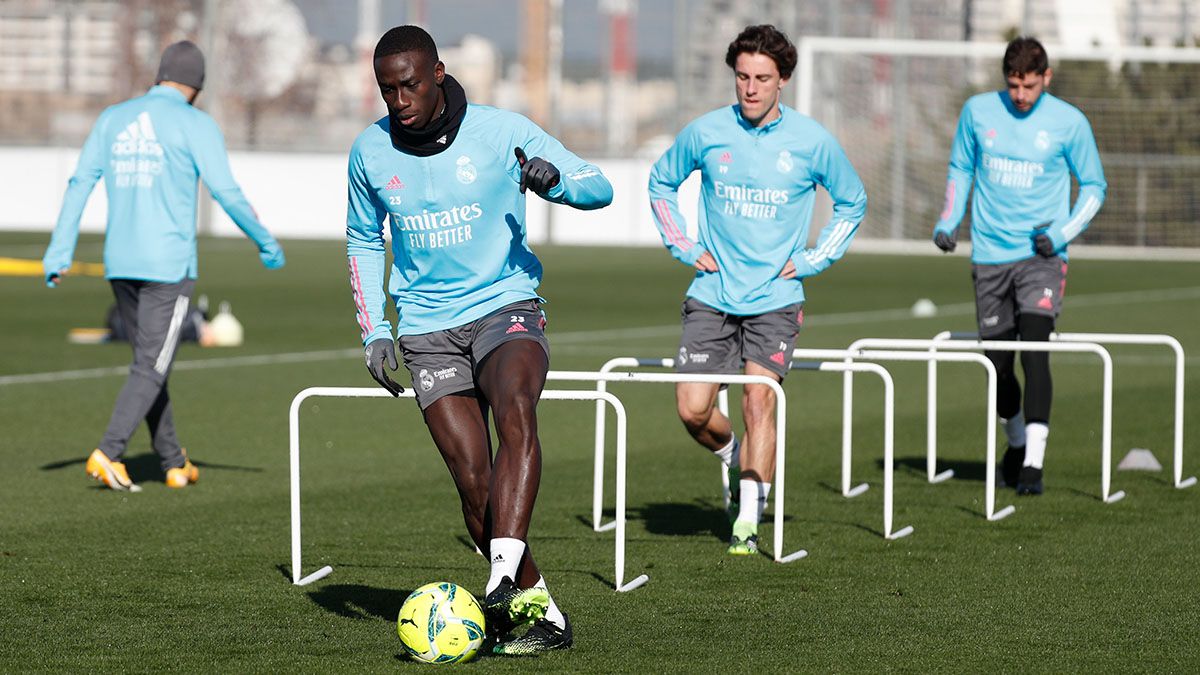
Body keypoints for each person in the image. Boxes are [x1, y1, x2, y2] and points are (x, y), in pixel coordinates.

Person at [346, 26, 612, 655]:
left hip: (505, 306)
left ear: (438, 73)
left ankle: (497, 580)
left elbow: (597, 186)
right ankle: (540, 612)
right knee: (473, 482)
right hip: (426, 329)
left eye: (410, 84)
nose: (399, 99)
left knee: (516, 412)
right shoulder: (370, 151)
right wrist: (375, 328)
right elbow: (362, 238)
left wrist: (556, 184)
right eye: (388, 89)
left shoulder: (501, 132)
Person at [648, 25, 867, 555]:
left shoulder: (812, 141)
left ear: (783, 80)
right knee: (692, 410)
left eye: (762, 78)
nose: (750, 88)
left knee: (758, 402)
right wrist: (682, 245)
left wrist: (816, 258)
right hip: (712, 293)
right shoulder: (706, 132)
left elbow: (852, 201)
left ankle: (746, 521)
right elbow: (660, 183)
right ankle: (733, 455)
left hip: (775, 299)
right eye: (743, 77)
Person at [43, 40, 286, 492]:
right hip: (168, 267)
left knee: (150, 362)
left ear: (160, 75)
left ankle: (173, 460)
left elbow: (80, 182)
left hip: (120, 263)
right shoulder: (195, 123)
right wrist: (265, 241)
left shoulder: (112, 118)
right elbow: (226, 191)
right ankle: (110, 451)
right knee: (151, 366)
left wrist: (60, 250)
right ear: (197, 85)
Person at [932, 36, 1106, 495]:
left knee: (1035, 349)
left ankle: (1033, 462)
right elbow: (960, 167)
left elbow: (1094, 186)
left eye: (1029, 85)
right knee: (999, 367)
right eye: (1013, 85)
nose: (1021, 95)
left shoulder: (1070, 122)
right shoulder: (978, 112)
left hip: (1041, 258)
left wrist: (1063, 234)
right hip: (989, 255)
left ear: (1046, 78)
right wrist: (949, 221)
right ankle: (1014, 441)